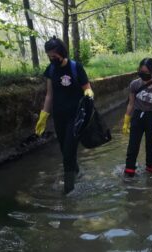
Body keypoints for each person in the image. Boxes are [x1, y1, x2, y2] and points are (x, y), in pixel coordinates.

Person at [34, 36, 94, 194]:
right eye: (49, 56)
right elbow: (49, 95)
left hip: (75, 117)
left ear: (61, 52)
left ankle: (69, 191)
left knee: (68, 152)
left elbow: (87, 87)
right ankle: (76, 173)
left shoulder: (76, 67)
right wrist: (44, 116)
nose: (52, 59)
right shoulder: (51, 70)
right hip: (59, 118)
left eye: (54, 56)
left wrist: (89, 93)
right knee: (64, 150)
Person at [122, 58, 152, 177]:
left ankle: (151, 172)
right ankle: (129, 171)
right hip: (137, 116)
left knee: (151, 147)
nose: (143, 74)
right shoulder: (135, 84)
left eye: (146, 72)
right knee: (133, 145)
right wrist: (126, 121)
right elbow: (131, 103)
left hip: (151, 118)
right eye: (141, 71)